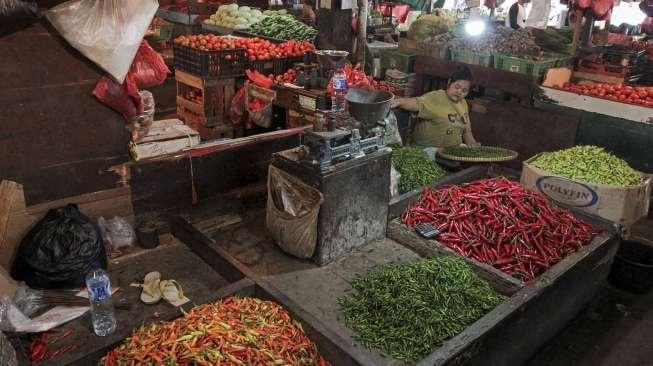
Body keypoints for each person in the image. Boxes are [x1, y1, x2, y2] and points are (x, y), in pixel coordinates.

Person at [391, 66, 480, 157]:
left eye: (464, 91)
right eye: (457, 87)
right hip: (428, 151)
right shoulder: (435, 98)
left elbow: (466, 131)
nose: (459, 92)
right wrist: (400, 101)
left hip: (452, 150)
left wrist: (472, 145)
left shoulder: (463, 104)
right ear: (449, 83)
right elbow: (416, 103)